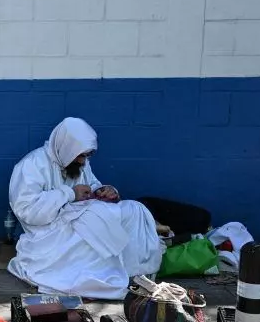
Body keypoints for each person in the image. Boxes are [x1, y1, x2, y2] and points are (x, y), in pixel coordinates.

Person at [8, 117, 163, 300]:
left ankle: (134, 272)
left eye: (87, 156)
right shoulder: (31, 165)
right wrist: (69, 194)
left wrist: (104, 190)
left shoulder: (79, 163)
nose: (83, 161)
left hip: (79, 215)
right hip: (48, 231)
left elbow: (91, 184)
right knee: (94, 228)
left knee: (134, 210)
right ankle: (101, 279)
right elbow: (28, 211)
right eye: (81, 156)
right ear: (66, 148)